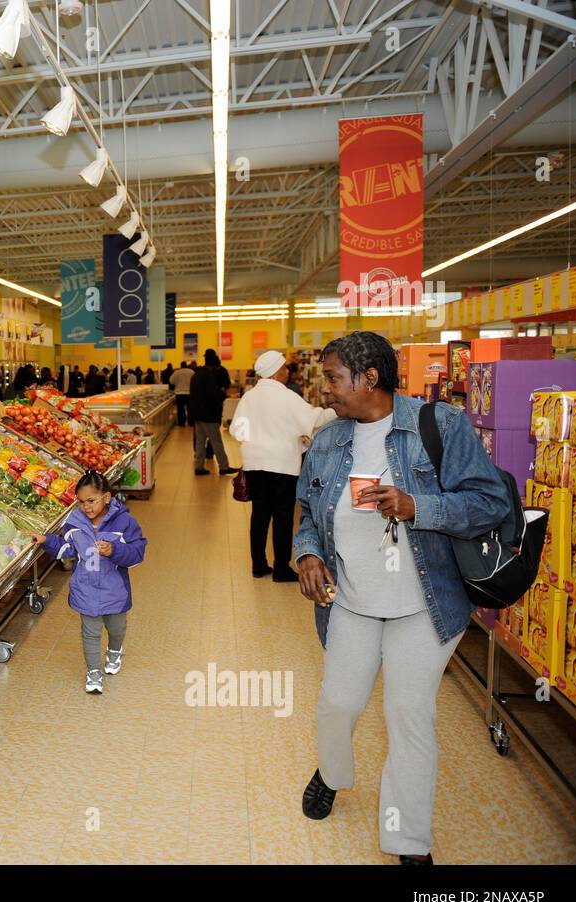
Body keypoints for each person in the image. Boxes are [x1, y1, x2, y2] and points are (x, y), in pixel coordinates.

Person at [294, 331, 510, 865]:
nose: (325, 391)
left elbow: (491, 502)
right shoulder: (327, 439)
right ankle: (333, 771)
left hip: (425, 604)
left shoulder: (441, 426)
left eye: (333, 379)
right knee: (339, 703)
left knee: (409, 715)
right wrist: (307, 556)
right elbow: (307, 512)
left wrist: (420, 506)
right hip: (351, 600)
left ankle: (409, 841)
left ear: (370, 379)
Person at [30, 471, 148, 694]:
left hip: (115, 590)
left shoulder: (124, 522)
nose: (86, 507)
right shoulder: (74, 523)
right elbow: (67, 549)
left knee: (117, 628)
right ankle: (94, 672)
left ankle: (114, 651)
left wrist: (115, 550)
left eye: (91, 501)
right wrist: (47, 540)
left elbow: (137, 552)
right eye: (82, 502)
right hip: (85, 589)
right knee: (90, 632)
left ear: (106, 497)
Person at [231, 350, 335, 583]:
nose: (288, 371)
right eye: (285, 368)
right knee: (283, 517)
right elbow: (313, 419)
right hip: (282, 465)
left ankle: (258, 565)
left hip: (254, 463)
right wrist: (336, 410)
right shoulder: (286, 396)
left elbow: (236, 430)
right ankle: (281, 569)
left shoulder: (250, 397)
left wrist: (256, 440)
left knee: (259, 515)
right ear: (277, 373)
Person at [190, 350, 236, 476]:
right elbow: (211, 393)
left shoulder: (196, 375)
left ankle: (199, 466)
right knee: (216, 441)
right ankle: (224, 466)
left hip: (197, 414)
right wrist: (222, 393)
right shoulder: (208, 375)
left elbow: (194, 394)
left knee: (200, 441)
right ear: (213, 366)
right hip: (209, 414)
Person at [170, 360, 195, 425]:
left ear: (180, 365)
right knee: (190, 409)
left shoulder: (176, 372)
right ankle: (191, 422)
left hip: (179, 393)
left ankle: (181, 422)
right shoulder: (191, 372)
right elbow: (195, 381)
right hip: (189, 393)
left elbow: (171, 381)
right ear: (186, 365)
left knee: (180, 409)